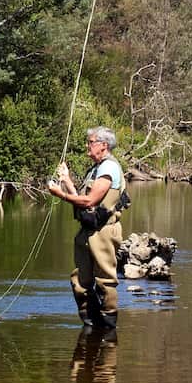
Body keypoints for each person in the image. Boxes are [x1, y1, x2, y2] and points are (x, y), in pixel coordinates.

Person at [47, 126, 125, 328]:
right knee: (80, 281)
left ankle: (108, 327)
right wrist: (66, 180)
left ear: (103, 145)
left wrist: (60, 194)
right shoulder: (96, 169)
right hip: (87, 231)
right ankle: (91, 326)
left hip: (104, 232)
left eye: (91, 142)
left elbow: (90, 201)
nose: (87, 146)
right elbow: (81, 197)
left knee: (104, 281)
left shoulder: (109, 169)